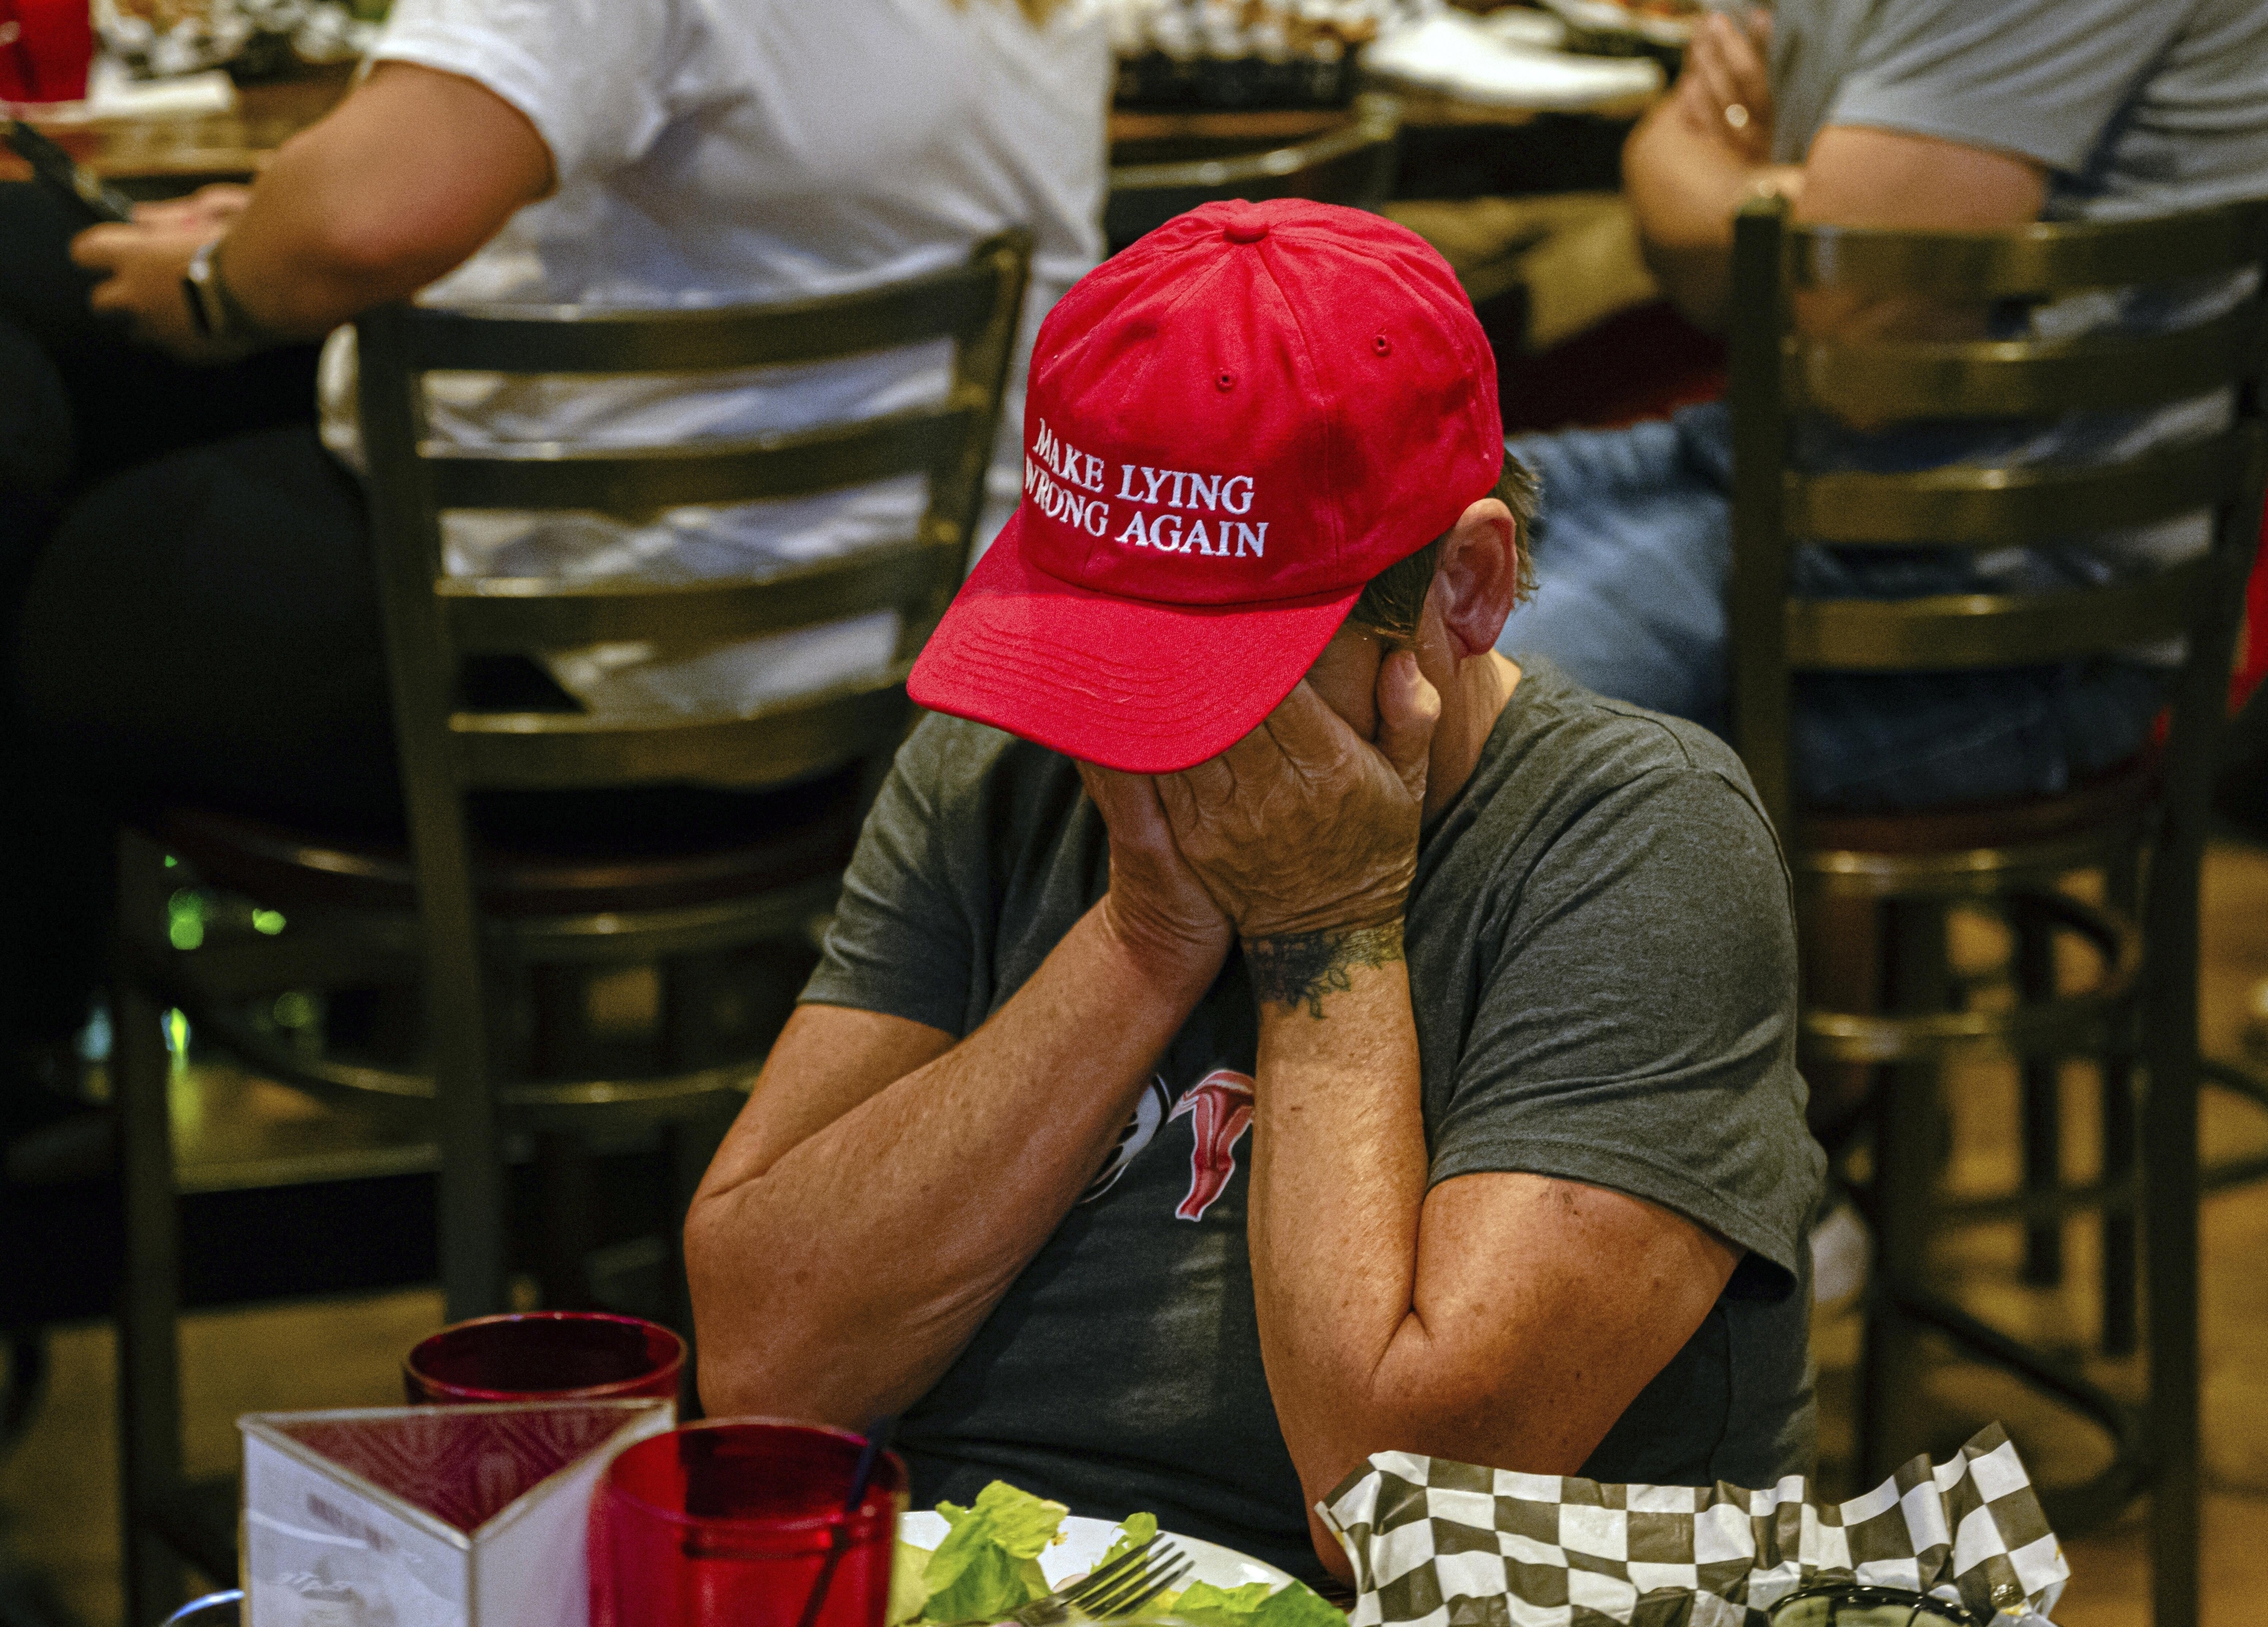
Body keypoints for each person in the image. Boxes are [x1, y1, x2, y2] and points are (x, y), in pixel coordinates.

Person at [686, 200, 1826, 1584]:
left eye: (1209, 678)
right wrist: (1144, 934)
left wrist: (1323, 932)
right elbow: (761, 1368)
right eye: (1089, 649)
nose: (1121, 735)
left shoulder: (1637, 841)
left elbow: (1395, 1518)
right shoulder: (1000, 758)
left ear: (1465, 588)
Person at [0, 0, 1105, 1111]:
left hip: (599, 692)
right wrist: (280, 229)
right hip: (896, 686)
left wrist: (213, 288)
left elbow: (357, 227)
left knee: (55, 536)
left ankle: (47, 1072)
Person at [1498, 0, 2268, 815]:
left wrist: (1758, 204)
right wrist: (1788, 207)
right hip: (1761, 478)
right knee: (1395, 536)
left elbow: (1864, 357)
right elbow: (1699, 254)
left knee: (1445, 712)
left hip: (1997, 626)